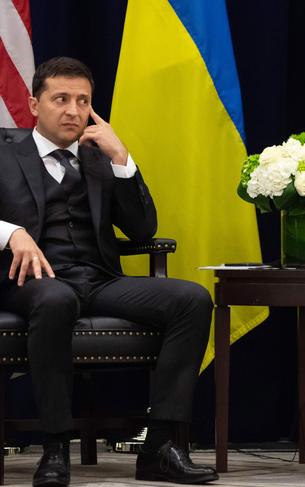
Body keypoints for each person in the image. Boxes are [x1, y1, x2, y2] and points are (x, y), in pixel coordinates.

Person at [0, 57, 218, 486]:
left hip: (97, 279)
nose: (73, 111)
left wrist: (122, 158)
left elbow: (141, 229)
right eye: (60, 99)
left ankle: (160, 447)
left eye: (83, 101)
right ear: (33, 104)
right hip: (27, 281)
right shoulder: (5, 154)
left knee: (191, 299)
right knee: (56, 297)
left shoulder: (99, 158)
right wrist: (11, 233)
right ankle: (56, 447)